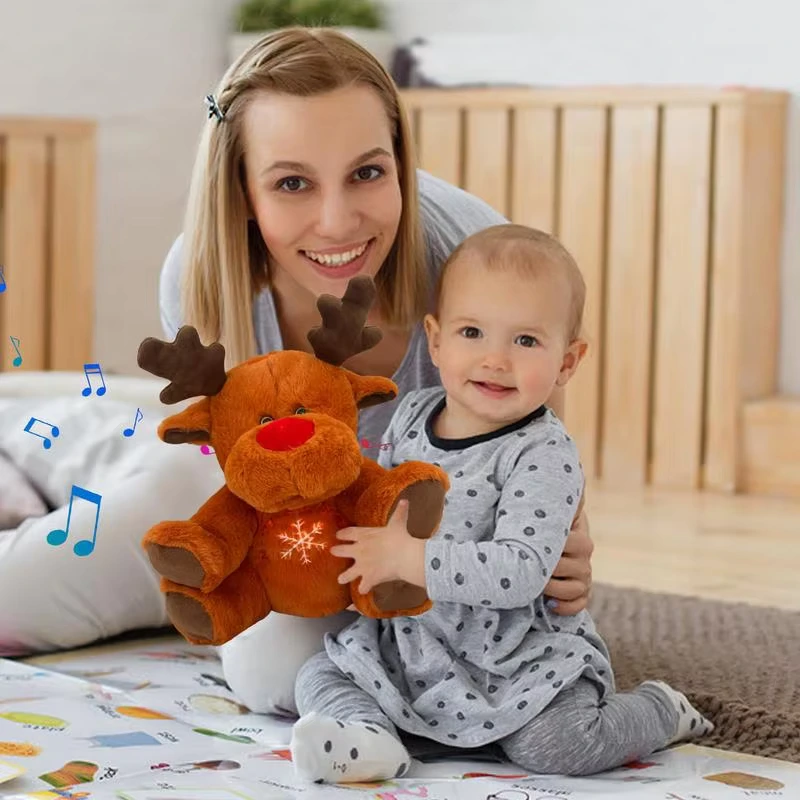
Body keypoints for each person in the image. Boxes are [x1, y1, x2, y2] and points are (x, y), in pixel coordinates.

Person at [158, 26, 593, 715]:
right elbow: (246, 494)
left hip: (424, 554)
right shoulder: (203, 283)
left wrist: (563, 540)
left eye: (367, 172)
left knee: (340, 671)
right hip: (275, 519)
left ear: (400, 162)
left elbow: (535, 452)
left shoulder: (469, 265)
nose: (337, 223)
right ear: (240, 191)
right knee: (268, 668)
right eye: (292, 182)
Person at [288, 224, 714, 783]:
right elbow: (375, 502)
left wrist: (411, 559)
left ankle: (659, 709)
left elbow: (521, 572)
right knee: (317, 675)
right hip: (413, 646)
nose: (494, 359)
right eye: (472, 332)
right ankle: (371, 739)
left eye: (526, 341)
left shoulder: (542, 452)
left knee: (555, 747)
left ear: (567, 362)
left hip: (514, 662)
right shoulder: (411, 415)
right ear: (435, 341)